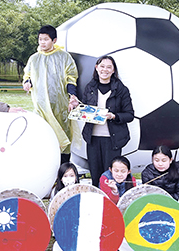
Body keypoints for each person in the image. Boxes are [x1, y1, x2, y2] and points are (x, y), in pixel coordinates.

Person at [23, 25, 80, 164]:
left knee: (63, 138)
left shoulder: (64, 57)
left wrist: (72, 95)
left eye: (45, 39)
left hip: (61, 107)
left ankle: (63, 171)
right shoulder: (34, 58)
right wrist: (27, 82)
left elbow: (71, 77)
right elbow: (28, 74)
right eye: (40, 39)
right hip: (41, 106)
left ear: (54, 40)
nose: (42, 42)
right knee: (44, 137)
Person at [80, 55, 134, 187]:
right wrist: (78, 106)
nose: (105, 70)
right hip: (93, 139)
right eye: (102, 66)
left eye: (109, 67)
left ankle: (113, 203)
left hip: (112, 140)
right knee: (96, 176)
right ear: (96, 68)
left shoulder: (121, 89)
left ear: (114, 70)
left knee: (111, 178)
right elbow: (86, 110)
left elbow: (130, 115)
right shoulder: (90, 87)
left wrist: (114, 116)